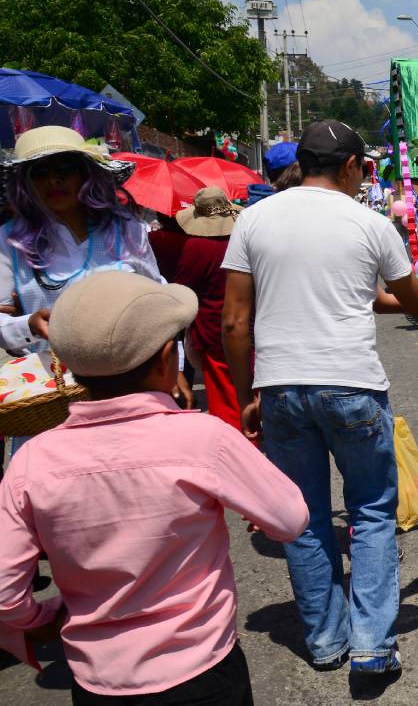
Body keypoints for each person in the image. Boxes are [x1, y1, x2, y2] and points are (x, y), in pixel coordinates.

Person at [221, 120, 418, 675]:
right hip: (353, 386)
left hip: (282, 388)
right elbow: (412, 300)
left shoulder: (254, 219)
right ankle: (371, 645)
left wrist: (248, 396)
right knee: (370, 512)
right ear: (348, 167)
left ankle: (325, 641)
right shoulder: (370, 223)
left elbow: (234, 321)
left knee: (305, 517)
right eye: (363, 167)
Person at [0, 271, 308, 704]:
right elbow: (291, 518)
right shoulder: (203, 438)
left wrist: (40, 617)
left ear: (68, 367)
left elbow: (4, 591)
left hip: (98, 680)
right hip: (201, 670)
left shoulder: (33, 459)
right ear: (168, 359)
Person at [0, 126, 191, 431]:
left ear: (86, 173)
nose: (54, 180)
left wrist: (173, 367)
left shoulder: (125, 229)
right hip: (55, 403)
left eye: (65, 168)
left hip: (134, 391)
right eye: (40, 172)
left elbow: (158, 302)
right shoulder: (10, 242)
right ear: (26, 184)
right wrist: (28, 325)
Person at [173, 187, 243, 430]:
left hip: (214, 329)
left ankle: (238, 447)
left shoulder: (197, 247)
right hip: (252, 324)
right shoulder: (244, 239)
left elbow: (182, 288)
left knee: (224, 396)